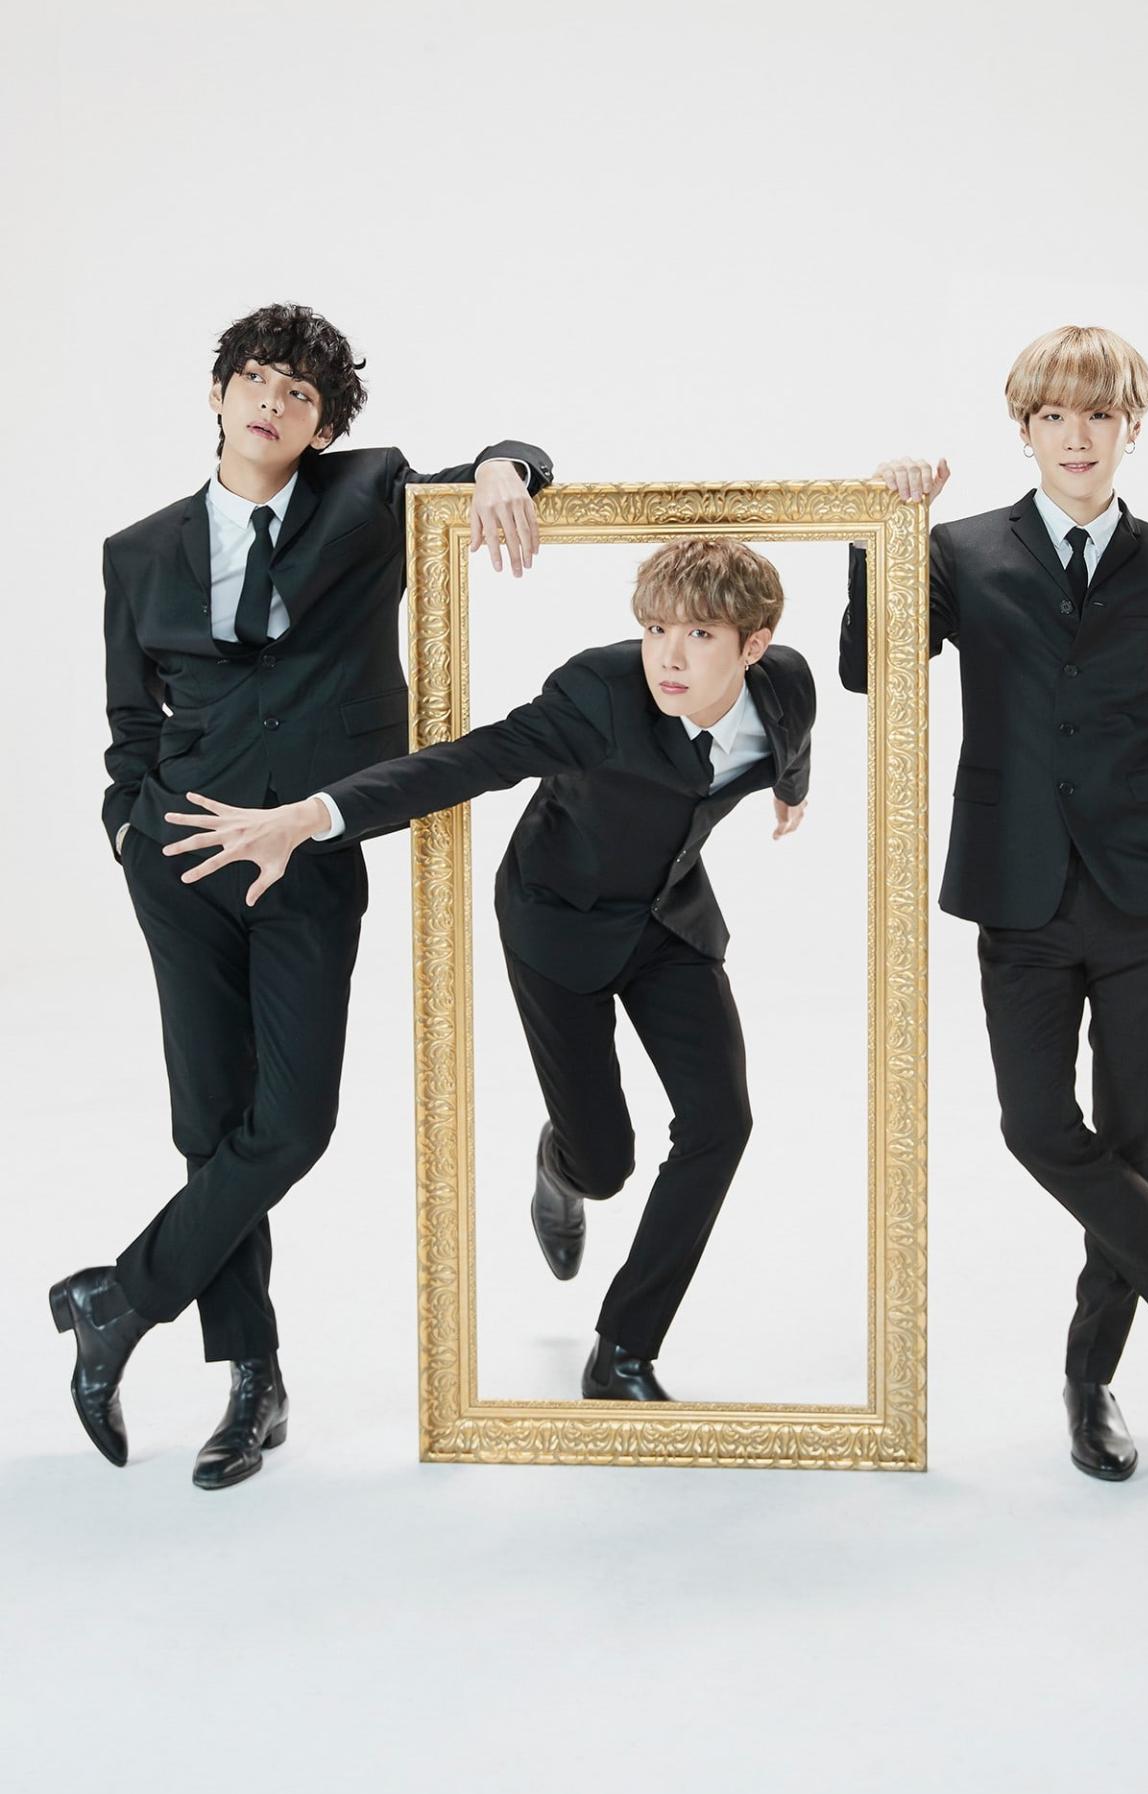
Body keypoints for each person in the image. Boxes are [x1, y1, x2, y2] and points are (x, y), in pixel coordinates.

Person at [51, 301, 552, 1489]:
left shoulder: (368, 497)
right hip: (182, 859)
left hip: (312, 851)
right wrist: (128, 825)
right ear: (219, 393)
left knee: (291, 1124)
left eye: (300, 394)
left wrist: (504, 466)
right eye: (257, 380)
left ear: (323, 428)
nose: (272, 402)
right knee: (208, 1125)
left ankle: (119, 1300)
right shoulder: (138, 550)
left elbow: (512, 458)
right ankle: (253, 1381)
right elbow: (130, 720)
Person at [159, 538, 815, 1400]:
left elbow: (786, 743)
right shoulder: (598, 692)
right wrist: (312, 816)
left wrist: (791, 789)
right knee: (605, 1166)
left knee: (721, 1125)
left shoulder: (786, 685)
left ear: (754, 645)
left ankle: (623, 1349)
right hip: (556, 924)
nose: (668, 657)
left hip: (669, 922)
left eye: (698, 635)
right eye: (656, 629)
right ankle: (562, 1164)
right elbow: (470, 762)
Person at [840, 323, 1148, 1479]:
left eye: (1096, 415)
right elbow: (869, 667)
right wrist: (881, 527)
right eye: (1050, 416)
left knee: (1131, 1149)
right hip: (1019, 894)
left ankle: (1089, 1384)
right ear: (1023, 429)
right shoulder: (961, 550)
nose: (1074, 437)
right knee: (1036, 1127)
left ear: (1130, 428)